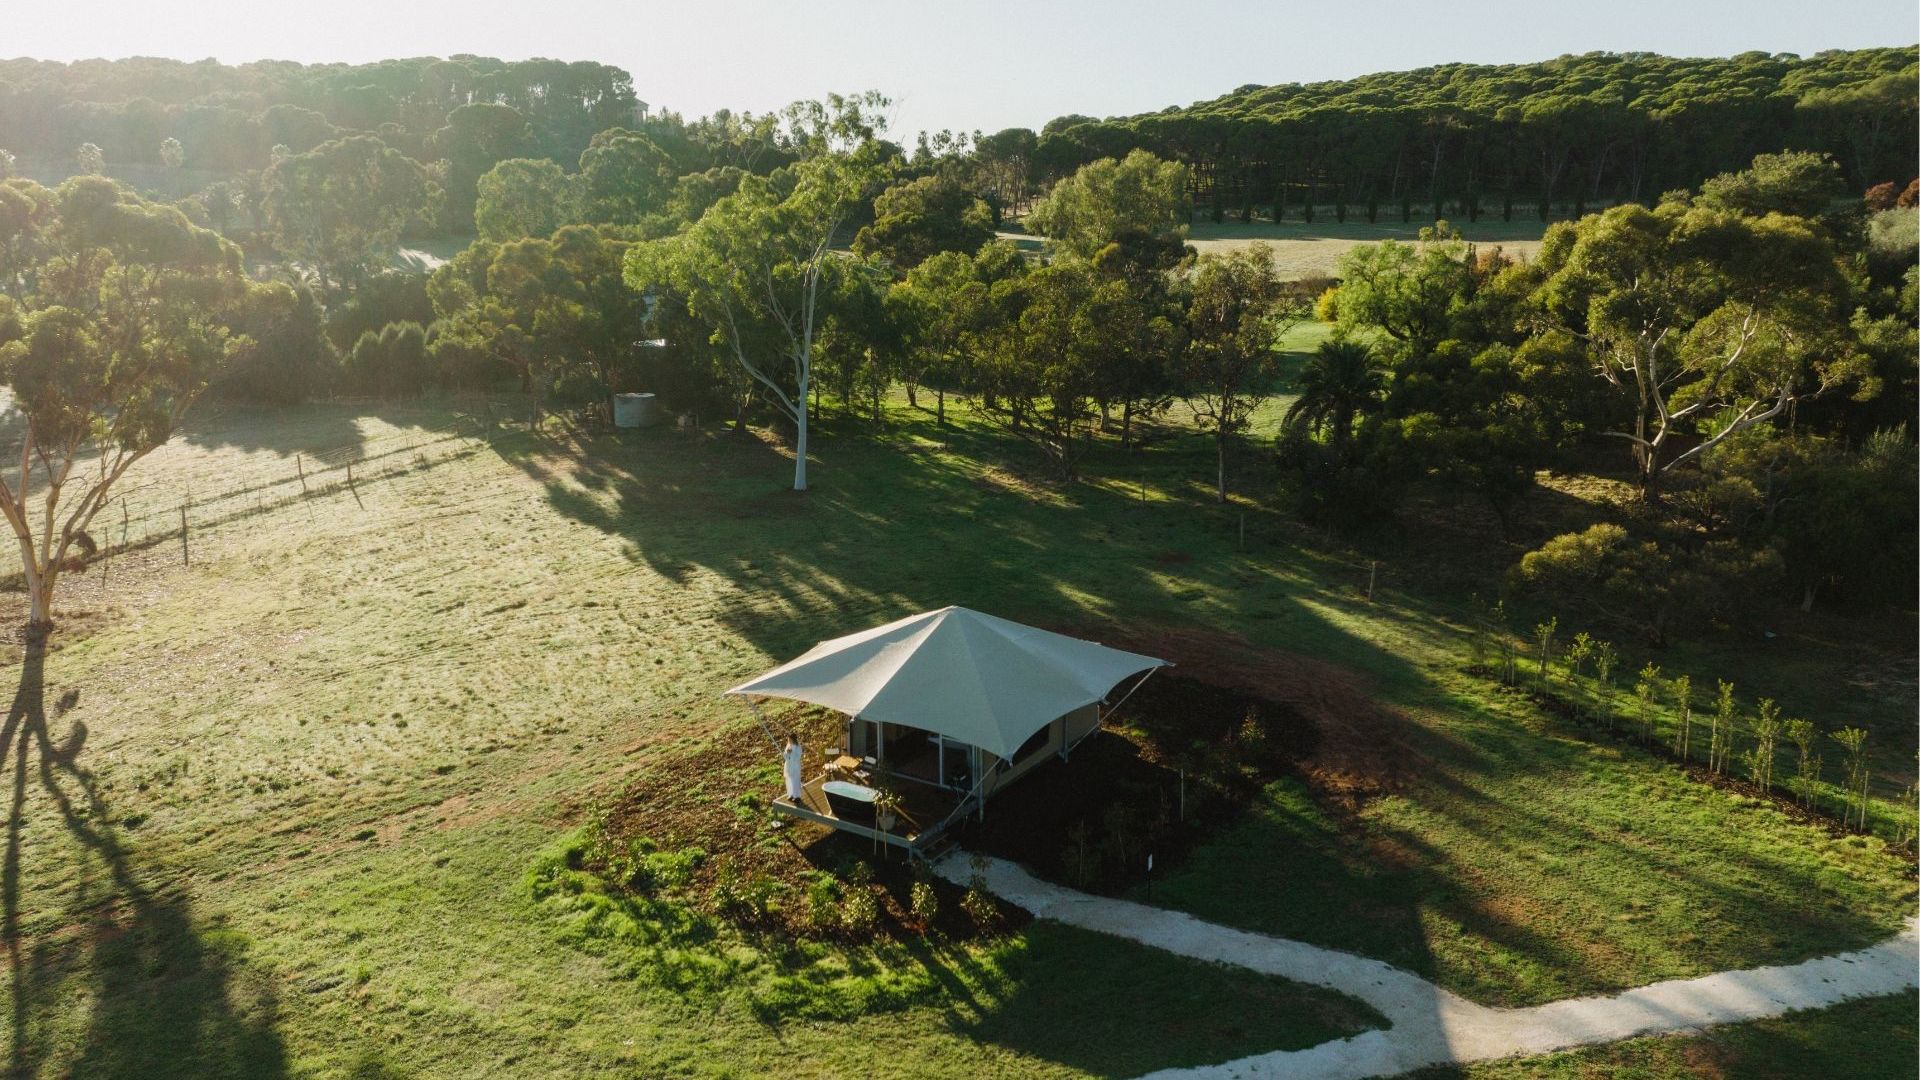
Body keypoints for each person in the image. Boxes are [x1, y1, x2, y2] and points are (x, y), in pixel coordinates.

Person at [782, 732, 805, 802]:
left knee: (795, 780)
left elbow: (798, 757)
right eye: (788, 739)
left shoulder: (798, 747)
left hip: (795, 766)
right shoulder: (788, 746)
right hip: (788, 765)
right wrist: (787, 753)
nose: (789, 741)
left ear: (793, 739)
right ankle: (790, 794)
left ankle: (797, 796)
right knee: (789, 780)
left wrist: (791, 754)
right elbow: (785, 755)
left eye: (790, 739)